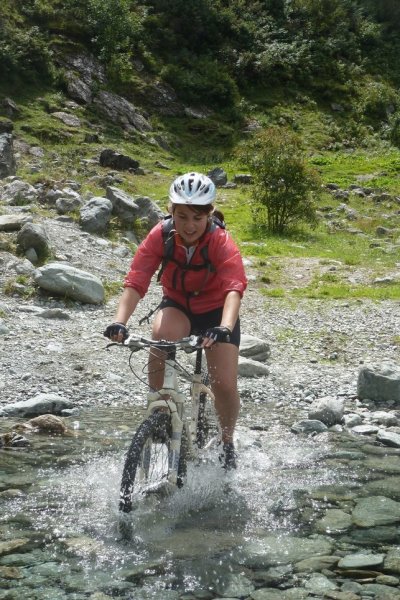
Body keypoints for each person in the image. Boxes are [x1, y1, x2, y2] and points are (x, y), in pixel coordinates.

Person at [104, 172, 247, 469]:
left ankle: (227, 440)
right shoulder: (161, 234)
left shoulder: (220, 240)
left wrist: (225, 326)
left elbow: (234, 287)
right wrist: (119, 322)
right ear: (171, 211)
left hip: (216, 312)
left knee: (224, 385)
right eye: (182, 216)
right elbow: (137, 280)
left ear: (209, 214)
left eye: (197, 217)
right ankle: (160, 412)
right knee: (161, 335)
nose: (190, 225)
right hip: (178, 304)